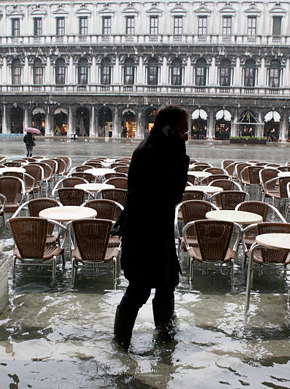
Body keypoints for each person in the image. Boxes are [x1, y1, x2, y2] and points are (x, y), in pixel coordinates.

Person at [113, 105, 190, 349]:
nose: (186, 135)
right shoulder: (152, 152)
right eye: (183, 131)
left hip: (159, 229)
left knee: (167, 284)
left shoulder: (158, 148)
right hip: (143, 233)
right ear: (168, 129)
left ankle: (165, 337)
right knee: (139, 288)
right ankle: (121, 343)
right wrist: (181, 153)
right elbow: (175, 193)